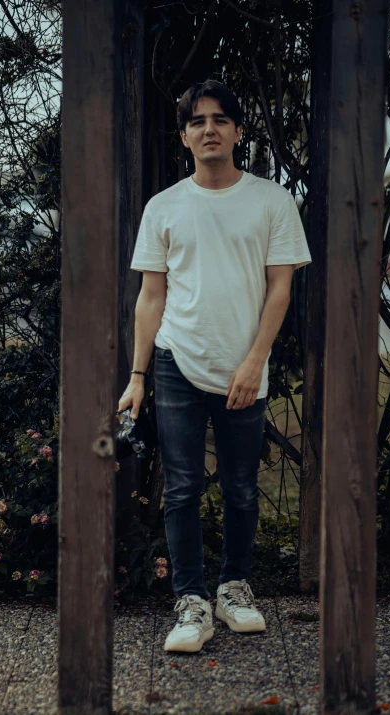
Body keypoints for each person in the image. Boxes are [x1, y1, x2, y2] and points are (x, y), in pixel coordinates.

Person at [118, 79, 312, 653]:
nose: (209, 129)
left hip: (243, 367)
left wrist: (255, 361)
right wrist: (136, 377)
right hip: (178, 361)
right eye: (198, 121)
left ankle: (233, 589)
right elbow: (151, 297)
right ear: (184, 136)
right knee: (180, 489)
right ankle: (192, 602)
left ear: (237, 132)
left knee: (241, 488)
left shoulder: (271, 201)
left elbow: (281, 290)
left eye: (220, 119)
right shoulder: (165, 207)